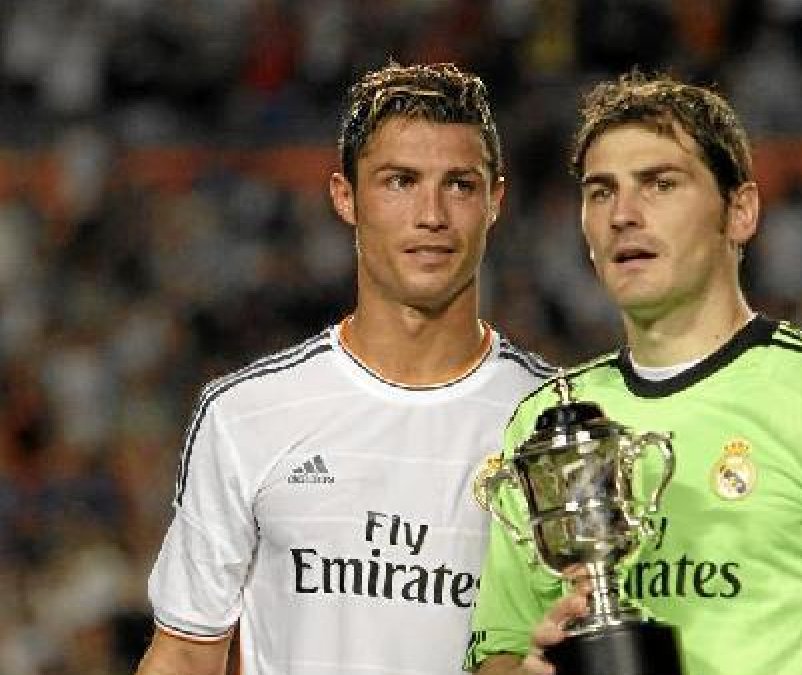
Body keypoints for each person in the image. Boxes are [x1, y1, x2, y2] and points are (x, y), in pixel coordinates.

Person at [467, 71, 802, 675]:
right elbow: (498, 649)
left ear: (740, 212)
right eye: (600, 192)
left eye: (660, 184)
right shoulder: (548, 428)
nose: (623, 213)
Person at [136, 62, 554, 675]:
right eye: (400, 181)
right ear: (344, 197)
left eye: (460, 185)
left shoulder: (552, 420)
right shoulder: (247, 415)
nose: (432, 214)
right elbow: (182, 655)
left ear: (495, 201)